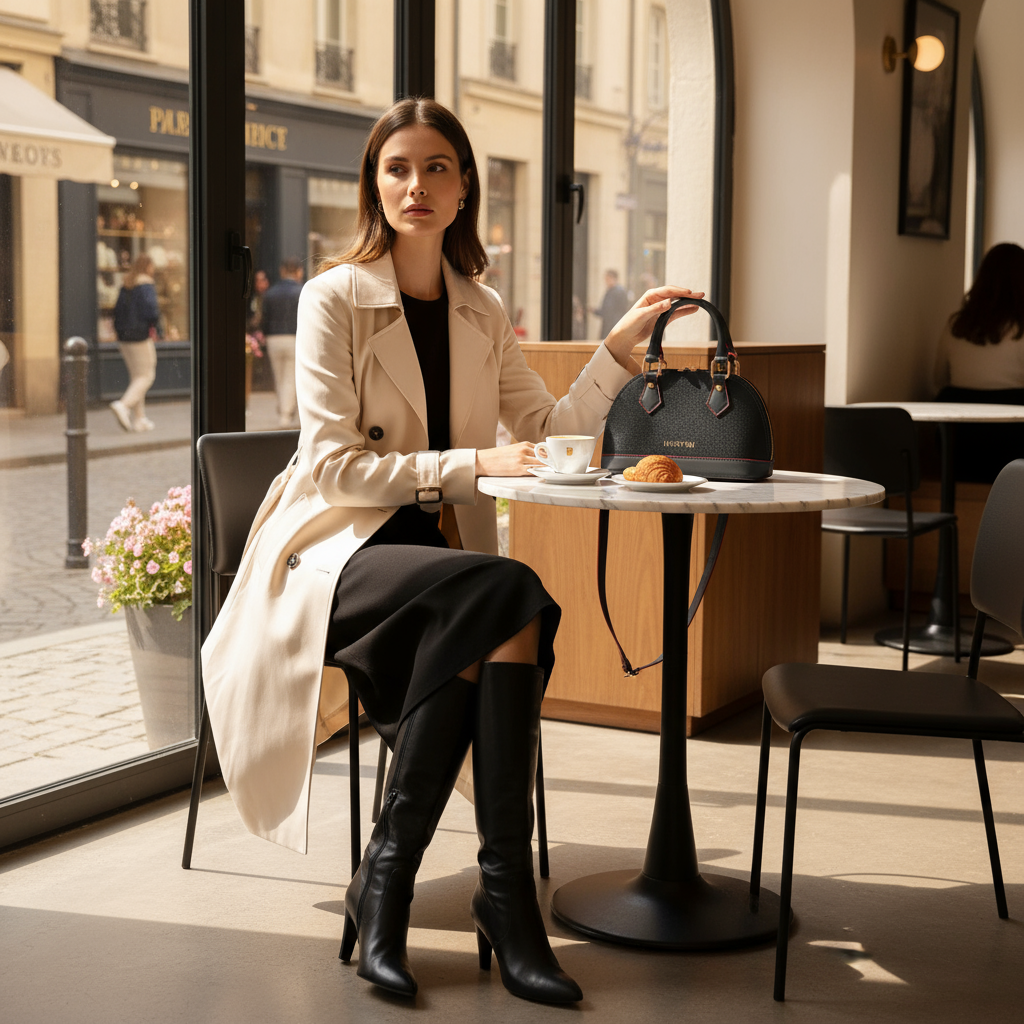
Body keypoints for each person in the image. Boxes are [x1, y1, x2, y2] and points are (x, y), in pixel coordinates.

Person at [200, 97, 701, 1004]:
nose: (415, 185)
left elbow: (545, 430)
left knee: (496, 601)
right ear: (374, 185)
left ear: (466, 186)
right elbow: (336, 468)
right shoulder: (331, 298)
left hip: (440, 569)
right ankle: (496, 904)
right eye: (397, 168)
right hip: (337, 557)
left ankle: (401, 886)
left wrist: (615, 358)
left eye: (436, 167)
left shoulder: (480, 308)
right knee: (507, 596)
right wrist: (469, 465)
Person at [933, 242, 1024, 481]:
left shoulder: (957, 325)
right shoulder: (1020, 329)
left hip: (960, 443)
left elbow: (939, 379)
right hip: (1013, 442)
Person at [110, 253, 160, 432]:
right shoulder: (146, 283)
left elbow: (115, 311)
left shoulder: (127, 284)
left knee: (137, 377)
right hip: (140, 336)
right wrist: (157, 329)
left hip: (124, 337)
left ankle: (140, 420)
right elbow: (152, 311)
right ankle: (123, 405)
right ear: (147, 266)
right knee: (147, 375)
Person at [261, 257, 305, 427]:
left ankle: (283, 410)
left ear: (282, 271)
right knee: (290, 378)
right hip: (294, 338)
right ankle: (286, 415)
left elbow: (264, 319)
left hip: (273, 339)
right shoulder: (302, 291)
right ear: (298, 271)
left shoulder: (270, 293)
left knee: (279, 377)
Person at [592, 268, 631, 338]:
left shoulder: (618, 292)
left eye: (607, 279)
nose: (606, 281)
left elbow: (610, 311)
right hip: (610, 326)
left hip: (613, 326)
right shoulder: (611, 291)